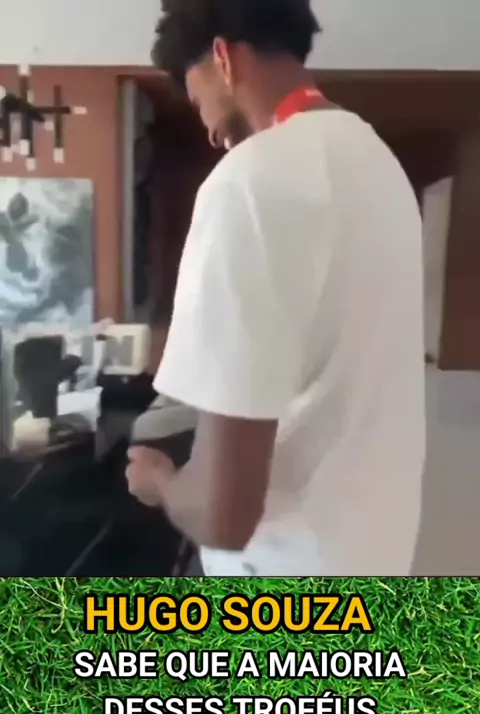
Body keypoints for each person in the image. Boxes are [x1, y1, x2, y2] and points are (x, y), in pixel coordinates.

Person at [126, 0, 426, 576]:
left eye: (198, 100)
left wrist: (159, 483)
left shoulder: (249, 181)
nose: (210, 129)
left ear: (223, 59)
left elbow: (223, 516)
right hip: (375, 557)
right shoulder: (380, 166)